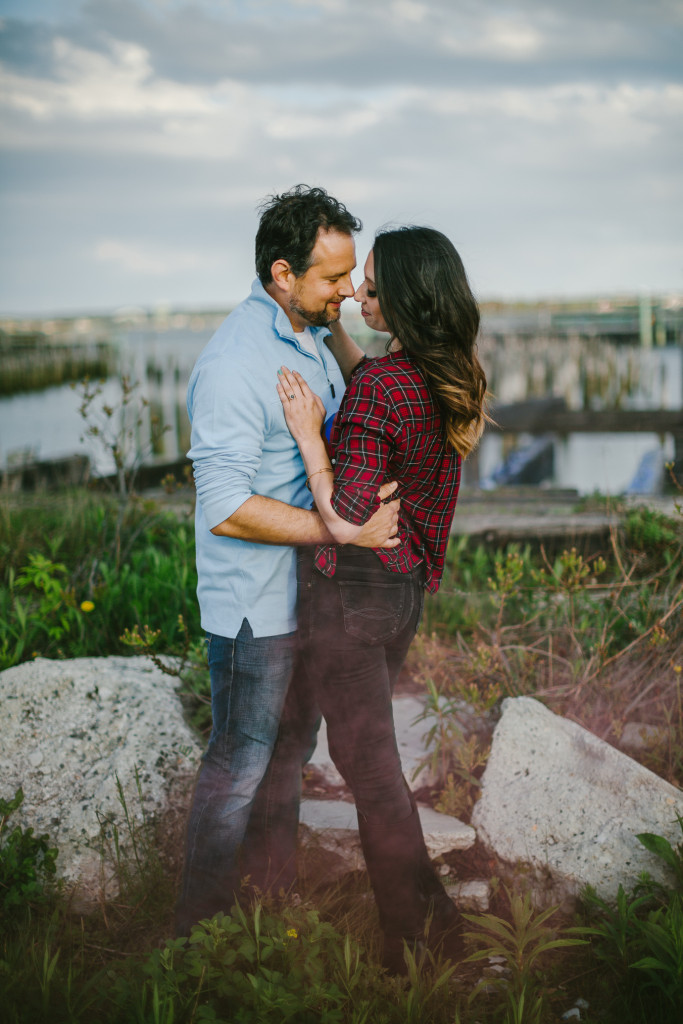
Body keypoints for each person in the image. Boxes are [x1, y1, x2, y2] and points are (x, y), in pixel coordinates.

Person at [175, 185, 401, 936]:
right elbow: (228, 507)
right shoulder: (237, 363)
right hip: (253, 611)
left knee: (283, 763)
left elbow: (362, 391)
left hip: (309, 603)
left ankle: (267, 905)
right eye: (333, 277)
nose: (347, 290)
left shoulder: (307, 333)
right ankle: (197, 934)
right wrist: (342, 532)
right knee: (238, 769)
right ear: (281, 273)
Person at [275, 225, 488, 972]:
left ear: (404, 297)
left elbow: (347, 520)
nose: (356, 297)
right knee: (368, 759)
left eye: (369, 289)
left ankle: (417, 942)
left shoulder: (377, 390)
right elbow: (380, 388)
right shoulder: (444, 370)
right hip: (404, 595)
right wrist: (336, 336)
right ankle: (429, 924)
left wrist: (308, 435)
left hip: (353, 596)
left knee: (368, 770)